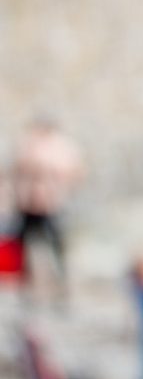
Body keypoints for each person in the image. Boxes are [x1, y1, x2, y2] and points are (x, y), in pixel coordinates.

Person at [11, 115, 85, 302]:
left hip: (51, 202)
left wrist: (55, 184)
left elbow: (72, 171)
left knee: (55, 241)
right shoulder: (29, 144)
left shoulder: (60, 147)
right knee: (24, 241)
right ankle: (26, 280)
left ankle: (61, 280)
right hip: (30, 202)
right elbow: (20, 168)